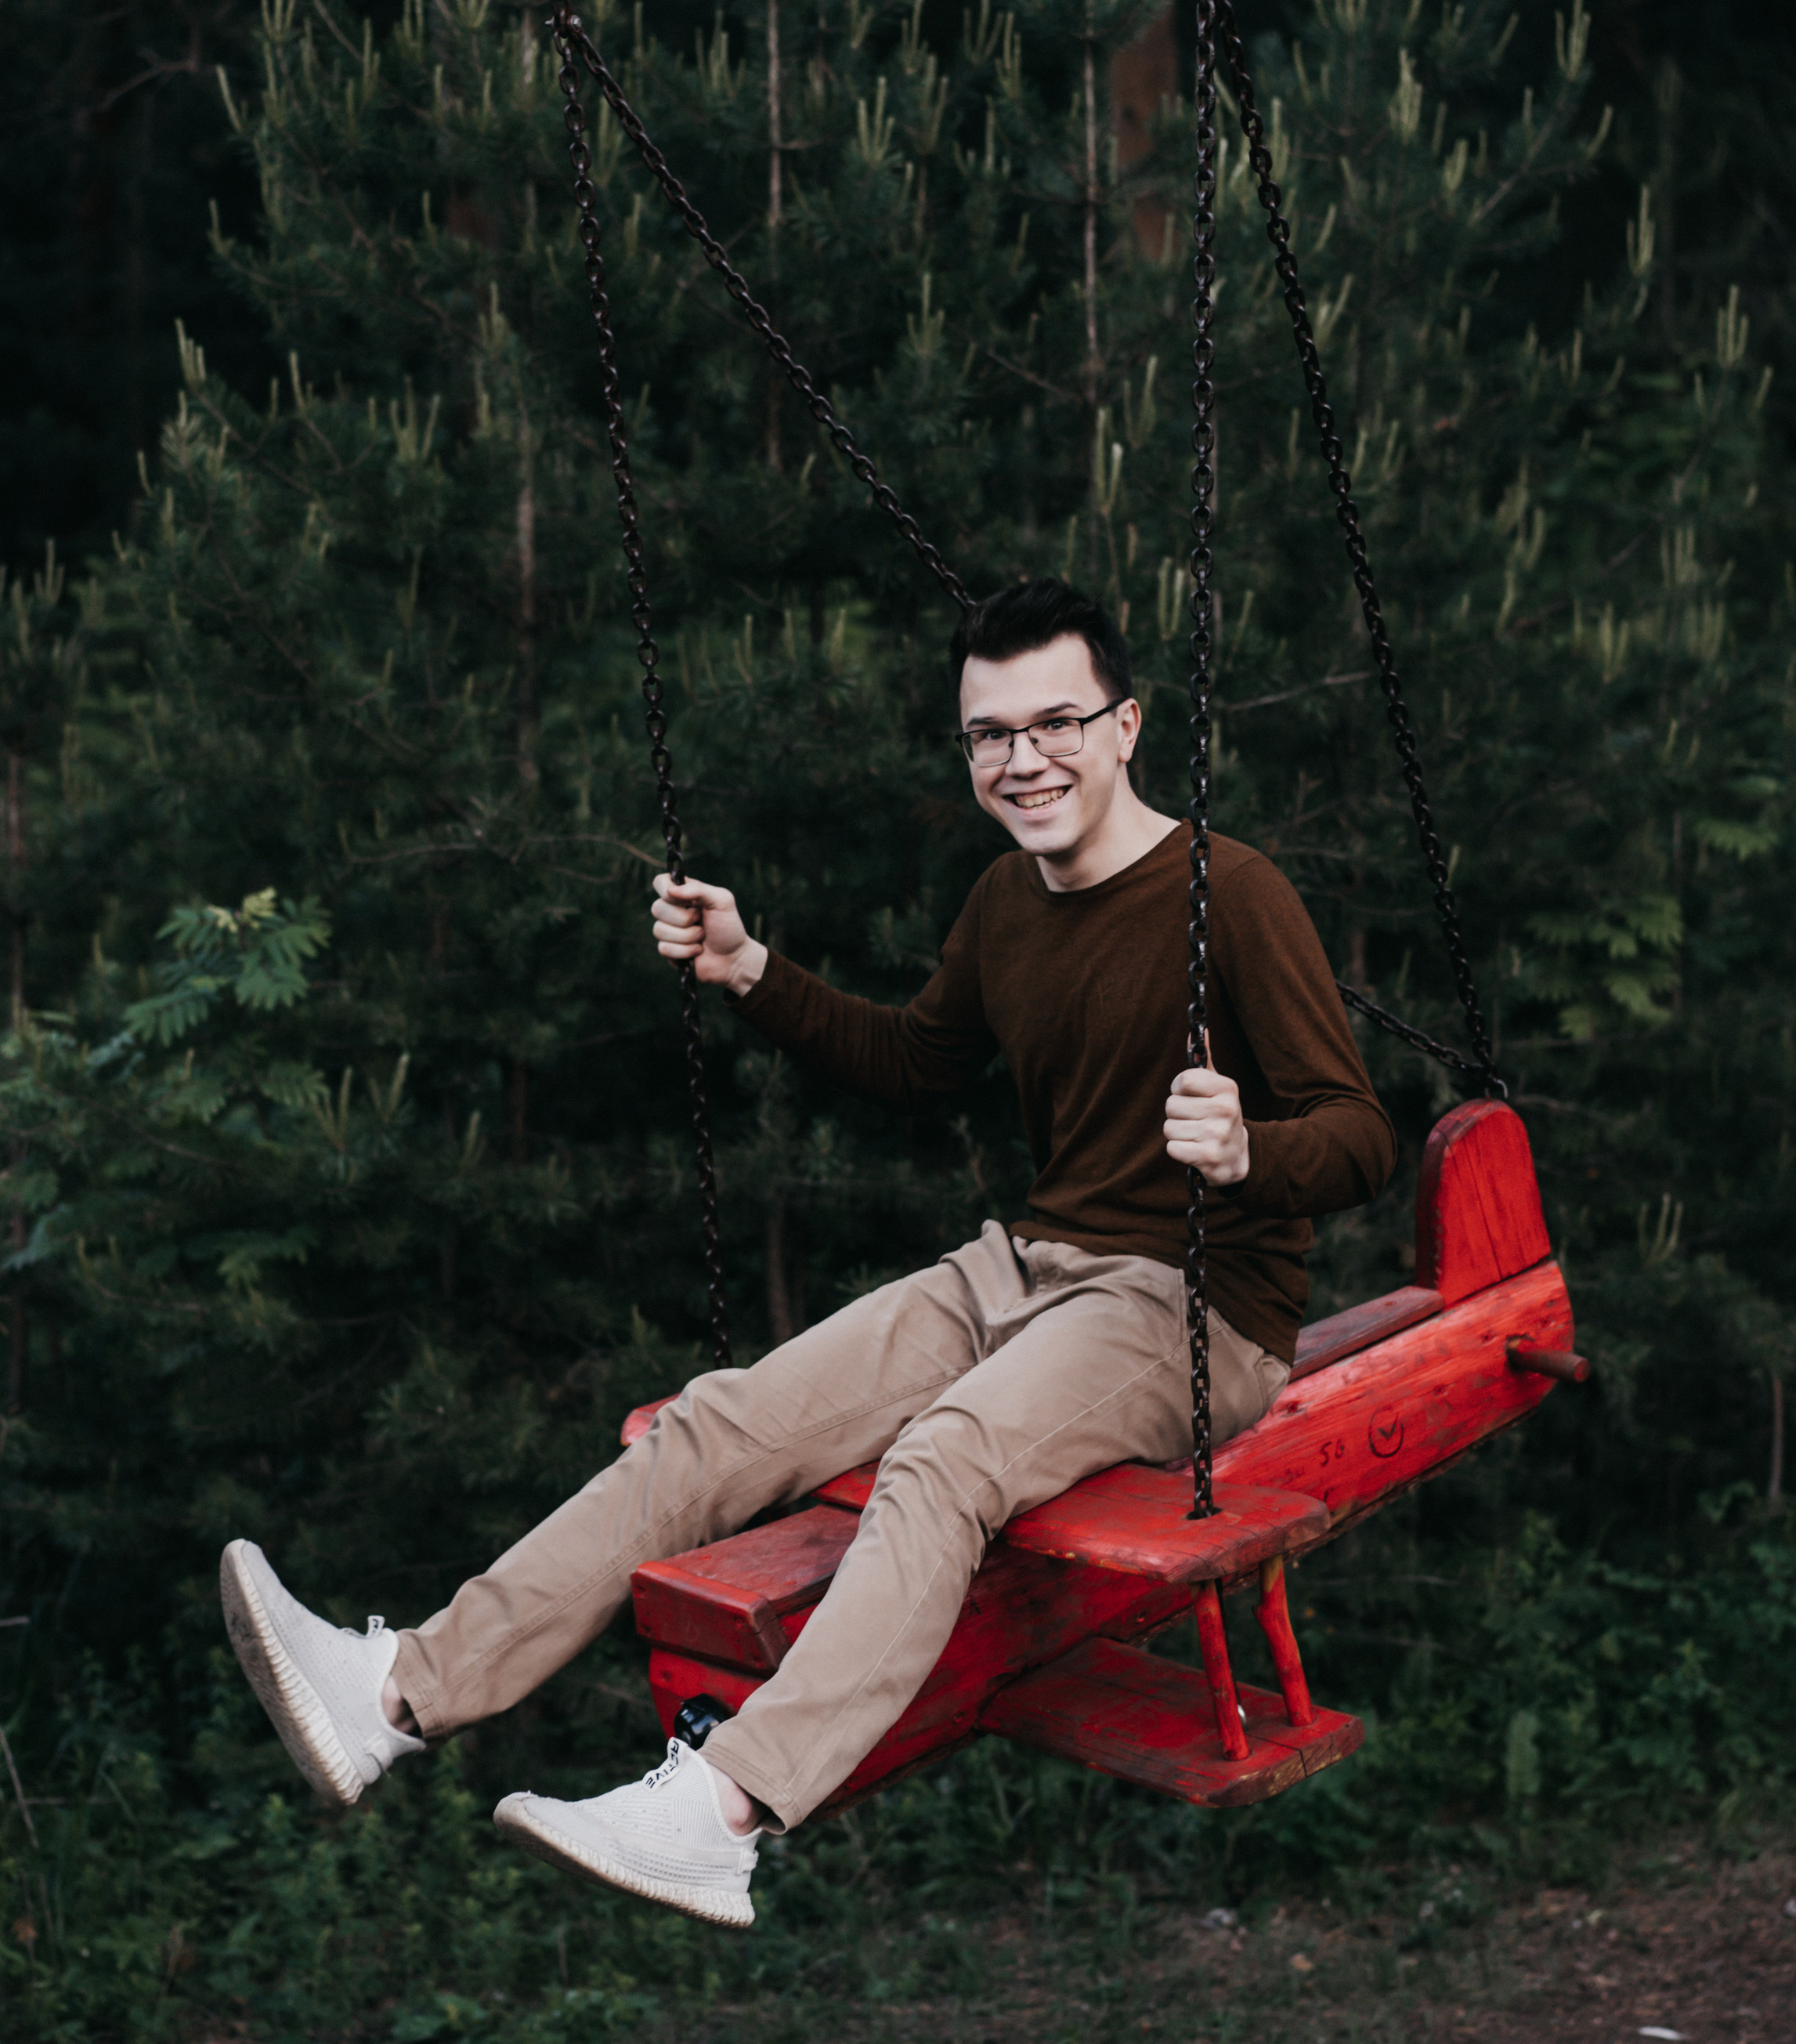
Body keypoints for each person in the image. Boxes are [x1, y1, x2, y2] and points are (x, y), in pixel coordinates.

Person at [221, 579, 1395, 1927]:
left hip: (1194, 1305)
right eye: (990, 736)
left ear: (1125, 726)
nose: (1024, 761)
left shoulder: (1227, 896)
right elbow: (915, 1060)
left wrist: (1253, 1148)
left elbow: (1360, 1134)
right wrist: (750, 971)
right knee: (720, 1424)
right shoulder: (1006, 904)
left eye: (1057, 723)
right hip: (1025, 1264)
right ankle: (395, 1697)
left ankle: (721, 1815)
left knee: (943, 1456)